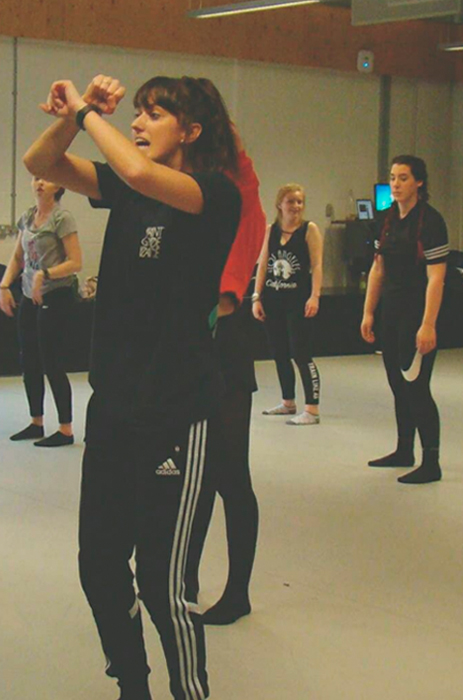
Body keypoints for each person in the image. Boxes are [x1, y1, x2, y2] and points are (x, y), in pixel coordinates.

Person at [23, 73, 241, 700]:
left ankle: (188, 692)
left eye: (154, 114)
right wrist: (69, 116)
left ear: (191, 131)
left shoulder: (212, 195)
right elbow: (41, 160)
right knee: (99, 567)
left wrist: (90, 111)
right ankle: (133, 684)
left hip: (178, 414)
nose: (139, 124)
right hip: (116, 410)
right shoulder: (123, 185)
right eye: (136, 113)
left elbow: (144, 175)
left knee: (163, 583)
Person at [188, 123, 265, 626]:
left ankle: (237, 593)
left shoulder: (240, 197)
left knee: (228, 475)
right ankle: (183, 576)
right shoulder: (191, 191)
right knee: (191, 476)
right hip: (189, 346)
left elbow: (232, 274)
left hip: (224, 345)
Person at [360, 155, 448, 484]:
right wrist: (369, 312)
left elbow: (437, 278)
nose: (396, 184)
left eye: (404, 178)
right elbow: (378, 269)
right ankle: (403, 449)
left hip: (417, 312)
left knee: (416, 387)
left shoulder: (431, 222)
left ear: (419, 183)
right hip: (391, 313)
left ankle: (431, 461)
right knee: (398, 385)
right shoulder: (385, 220)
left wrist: (428, 324)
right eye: (393, 178)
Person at [0, 176, 82, 446]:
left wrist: (45, 274)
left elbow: (76, 262)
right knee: (29, 360)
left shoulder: (62, 219)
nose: (39, 183)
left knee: (51, 361)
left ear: (59, 186)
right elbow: (17, 258)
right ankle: (36, 422)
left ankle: (66, 429)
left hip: (55, 295)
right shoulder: (27, 217)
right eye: (36, 178)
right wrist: (4, 286)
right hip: (27, 294)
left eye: (46, 179)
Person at [252, 184, 323, 426]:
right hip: (273, 300)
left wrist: (315, 296)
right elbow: (262, 265)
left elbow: (317, 265)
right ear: (279, 204)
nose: (295, 206)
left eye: (299, 202)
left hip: (298, 301)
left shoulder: (308, 230)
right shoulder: (270, 231)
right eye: (291, 201)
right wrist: (256, 297)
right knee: (279, 353)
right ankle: (287, 401)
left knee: (301, 354)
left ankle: (312, 409)